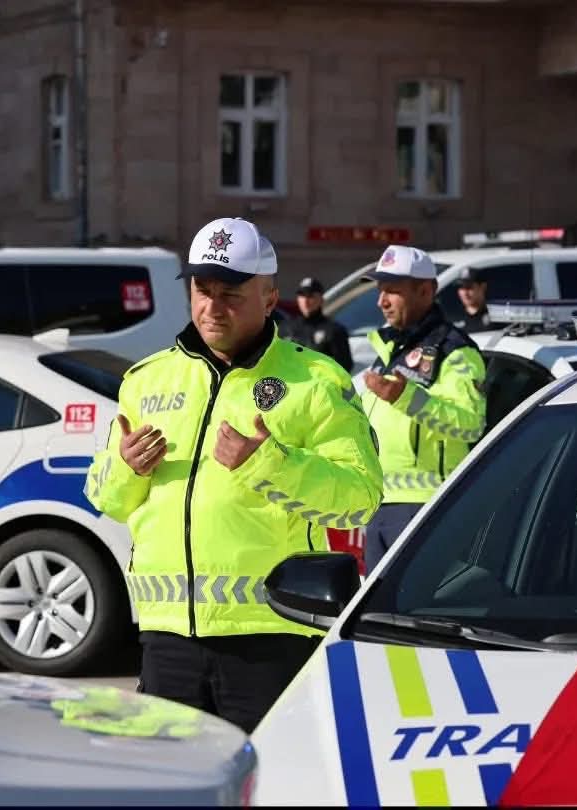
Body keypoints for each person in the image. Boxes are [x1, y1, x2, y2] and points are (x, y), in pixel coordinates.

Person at [85, 216, 382, 733]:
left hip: (270, 635)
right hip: (167, 637)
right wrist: (126, 468)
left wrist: (269, 462)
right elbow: (108, 499)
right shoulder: (146, 379)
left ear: (269, 297)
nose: (212, 307)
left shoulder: (314, 380)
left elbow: (359, 497)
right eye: (202, 290)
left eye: (231, 294)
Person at [360, 245, 487, 572]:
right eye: (380, 291)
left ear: (425, 291)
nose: (381, 301)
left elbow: (471, 424)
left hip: (427, 507)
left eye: (392, 291)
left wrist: (406, 397)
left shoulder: (455, 352)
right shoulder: (388, 348)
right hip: (379, 504)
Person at [279, 277, 353, 371]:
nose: (305, 301)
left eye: (310, 296)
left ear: (321, 299)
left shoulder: (334, 331)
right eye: (302, 295)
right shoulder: (285, 327)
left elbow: (344, 367)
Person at [450, 266, 493, 332]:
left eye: (469, 288)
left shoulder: (494, 317)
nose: (465, 293)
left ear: (483, 287)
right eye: (461, 288)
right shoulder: (451, 316)